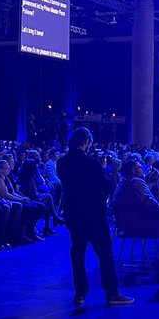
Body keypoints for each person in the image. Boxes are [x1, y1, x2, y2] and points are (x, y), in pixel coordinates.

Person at [56, 127, 133, 307]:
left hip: (74, 214)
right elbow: (106, 186)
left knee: (78, 253)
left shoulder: (61, 163)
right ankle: (112, 293)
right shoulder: (91, 163)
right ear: (86, 142)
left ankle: (80, 293)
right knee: (105, 254)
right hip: (93, 214)